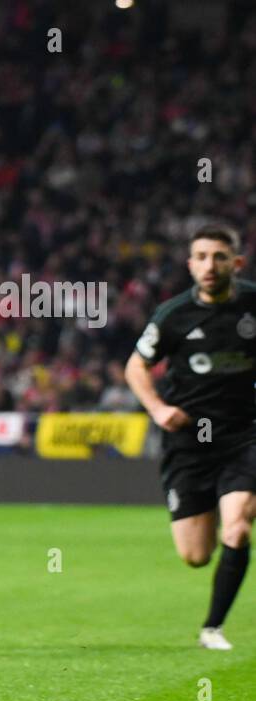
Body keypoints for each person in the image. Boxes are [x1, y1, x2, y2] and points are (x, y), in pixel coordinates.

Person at [125, 223, 256, 650]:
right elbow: (135, 367)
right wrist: (159, 409)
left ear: (237, 263)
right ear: (190, 265)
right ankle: (216, 507)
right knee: (196, 556)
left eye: (219, 257)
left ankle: (212, 628)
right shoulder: (172, 315)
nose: (210, 265)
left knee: (237, 529)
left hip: (243, 437)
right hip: (190, 444)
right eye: (201, 257)